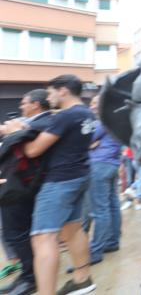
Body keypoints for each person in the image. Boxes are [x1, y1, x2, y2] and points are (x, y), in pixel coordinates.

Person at [7, 75, 97, 295]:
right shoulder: (86, 113)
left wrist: (16, 132)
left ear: (63, 90)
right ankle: (82, 279)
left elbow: (33, 150)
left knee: (42, 237)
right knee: (73, 229)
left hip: (59, 181)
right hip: (80, 176)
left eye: (50, 93)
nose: (49, 97)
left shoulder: (65, 116)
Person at [0, 90, 54, 295]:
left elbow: (10, 150)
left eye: (24, 103)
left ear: (37, 105)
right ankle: (27, 274)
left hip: (19, 188)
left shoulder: (40, 124)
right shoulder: (32, 123)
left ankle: (31, 278)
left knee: (17, 235)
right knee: (16, 235)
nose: (21, 106)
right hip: (18, 186)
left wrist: (12, 133)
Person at [86, 96, 121, 265]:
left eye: (94, 103)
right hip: (112, 163)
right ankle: (112, 242)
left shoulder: (103, 120)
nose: (91, 105)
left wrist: (91, 144)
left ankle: (95, 251)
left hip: (99, 164)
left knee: (100, 209)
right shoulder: (115, 118)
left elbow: (86, 140)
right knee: (112, 205)